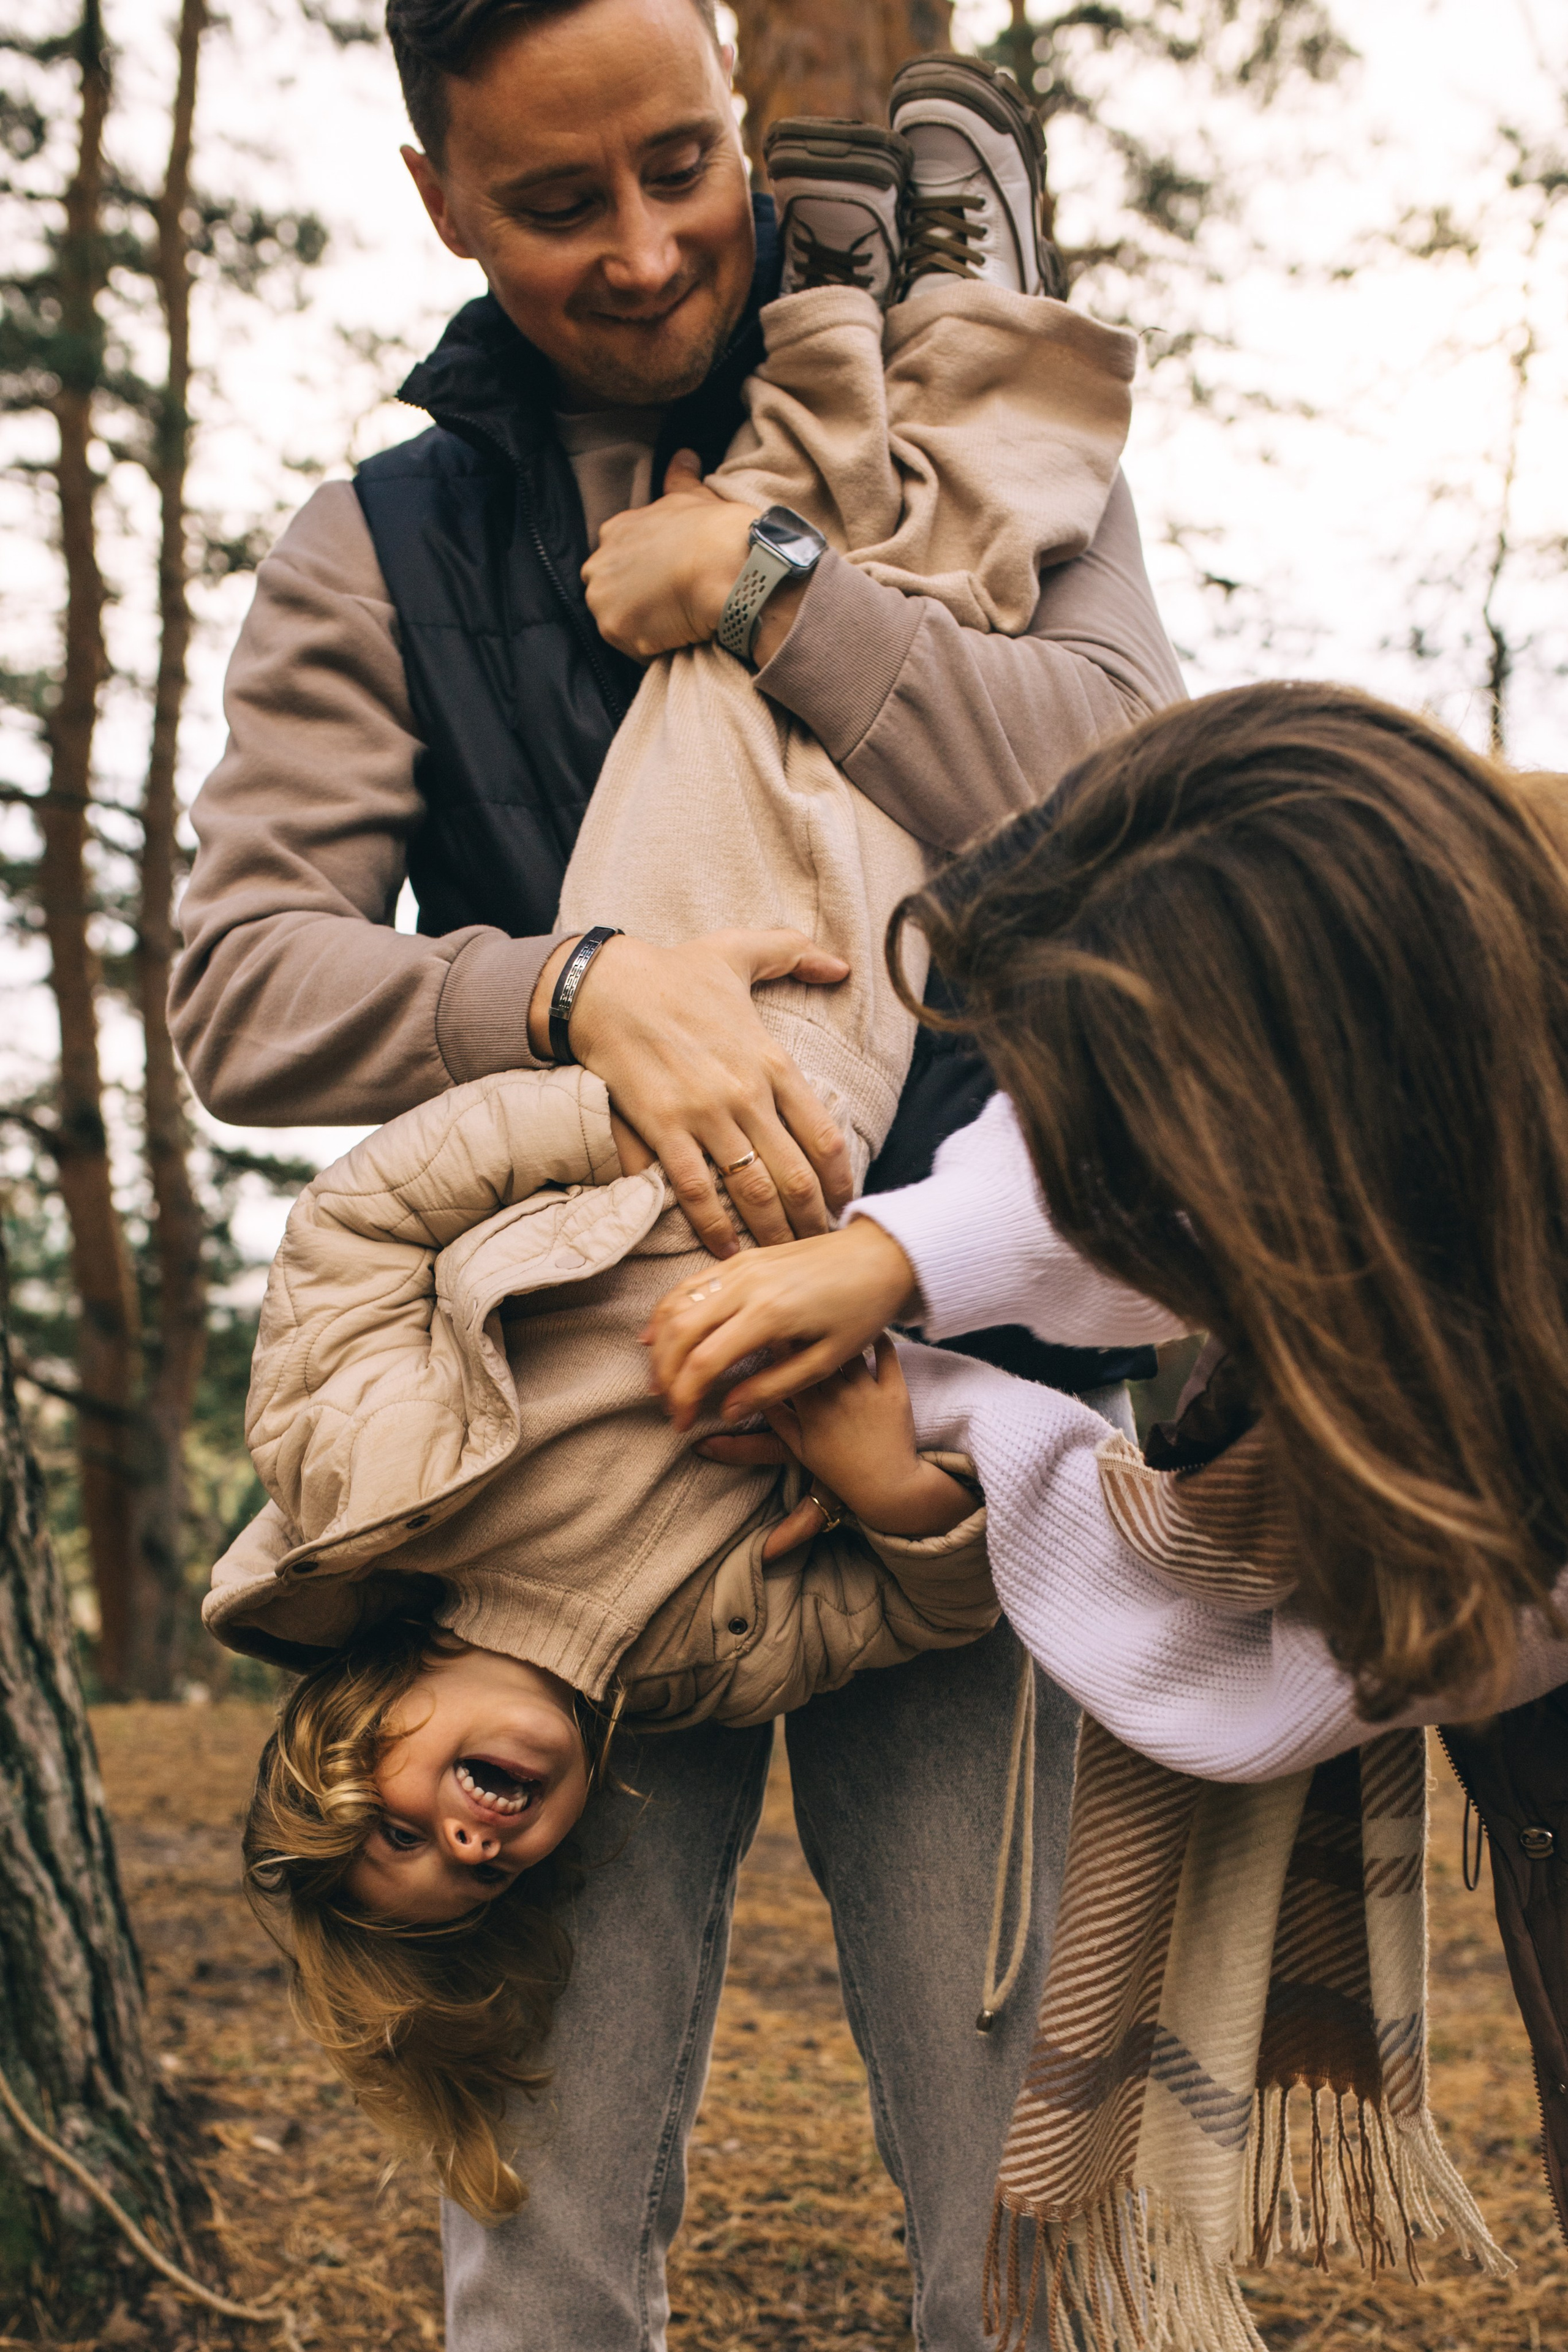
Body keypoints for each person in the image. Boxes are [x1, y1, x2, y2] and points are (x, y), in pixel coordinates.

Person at [168, 0, 1185, 2341]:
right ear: (436, 198)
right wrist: (565, 996)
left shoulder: (982, 445)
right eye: (554, 201)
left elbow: (1134, 813)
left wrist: (782, 595)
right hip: (566, 1557)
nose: (639, 250)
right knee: (543, 2226)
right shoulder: (380, 550)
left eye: (680, 165)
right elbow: (245, 985)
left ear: (741, 113)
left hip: (986, 1399)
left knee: (1034, 2202)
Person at [643, 682, 1568, 2345]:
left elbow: (1324, 1654)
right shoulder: (1474, 920)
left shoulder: (1503, 1404)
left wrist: (954, 1425)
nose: (1128, 1222)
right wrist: (898, 1257)